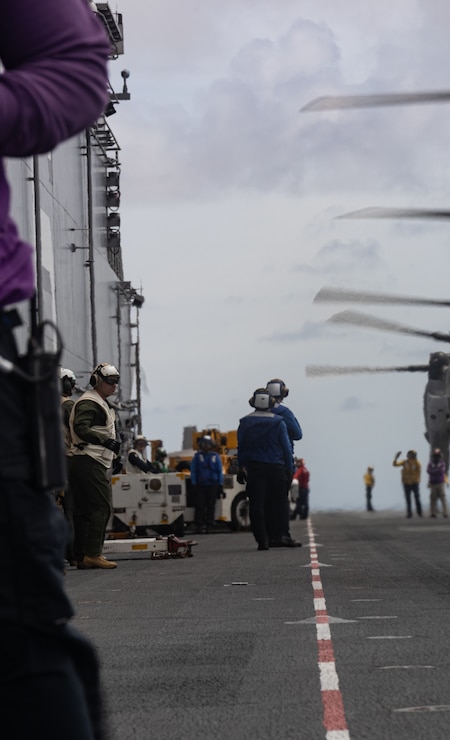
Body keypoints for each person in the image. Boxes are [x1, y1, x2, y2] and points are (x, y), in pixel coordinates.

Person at [0, 5, 110, 730]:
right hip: (84, 460)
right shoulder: (91, 406)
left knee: (15, 638)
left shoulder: (88, 407)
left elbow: (74, 66)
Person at [69, 364, 122, 569]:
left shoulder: (98, 403)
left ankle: (82, 555)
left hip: (87, 460)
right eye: (110, 381)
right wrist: (105, 441)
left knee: (84, 509)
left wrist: (113, 453)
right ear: (97, 381)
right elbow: (81, 427)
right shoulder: (90, 403)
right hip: (89, 460)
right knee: (101, 506)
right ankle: (93, 554)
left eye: (116, 381)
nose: (114, 386)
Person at [237, 388, 299, 550]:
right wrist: (290, 469)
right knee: (280, 502)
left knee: (257, 504)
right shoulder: (278, 421)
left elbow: (241, 448)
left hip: (254, 468)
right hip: (276, 468)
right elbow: (286, 448)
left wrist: (240, 468)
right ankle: (283, 535)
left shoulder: (244, 422)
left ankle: (263, 540)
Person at [59, 368, 79, 565]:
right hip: (67, 462)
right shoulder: (68, 406)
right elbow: (79, 434)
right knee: (72, 510)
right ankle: (73, 553)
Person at [190, 436, 223, 534]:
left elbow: (219, 471)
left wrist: (220, 484)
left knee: (211, 505)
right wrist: (194, 483)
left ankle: (210, 524)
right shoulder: (197, 457)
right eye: (204, 445)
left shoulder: (215, 456)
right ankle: (199, 524)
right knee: (200, 505)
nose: (206, 447)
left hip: (212, 485)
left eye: (208, 445)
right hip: (201, 485)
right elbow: (193, 471)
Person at [393, 450, 422, 518]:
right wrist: (395, 458)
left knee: (417, 498)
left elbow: (419, 472)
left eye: (412, 454)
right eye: (409, 454)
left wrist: (417, 480)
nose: (410, 455)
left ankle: (419, 512)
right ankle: (409, 513)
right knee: (408, 499)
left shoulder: (417, 463)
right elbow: (395, 465)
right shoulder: (405, 462)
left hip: (414, 483)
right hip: (406, 483)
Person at [426, 448, 448, 518]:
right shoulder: (431, 463)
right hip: (433, 483)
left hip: (440, 483)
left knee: (443, 498)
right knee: (433, 499)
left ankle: (445, 513)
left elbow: (441, 471)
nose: (436, 457)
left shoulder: (442, 463)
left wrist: (433, 471)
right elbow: (428, 471)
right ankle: (433, 513)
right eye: (435, 456)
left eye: (437, 456)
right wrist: (436, 471)